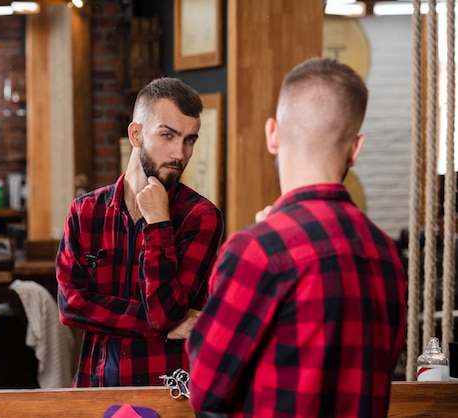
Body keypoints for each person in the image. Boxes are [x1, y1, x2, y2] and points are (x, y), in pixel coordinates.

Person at [187, 57, 407, 417]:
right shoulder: (386, 254)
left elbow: (205, 388)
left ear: (272, 133)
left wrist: (248, 254)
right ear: (356, 148)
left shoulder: (255, 251)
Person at [56, 77, 224, 387]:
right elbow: (70, 306)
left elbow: (165, 312)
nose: (179, 153)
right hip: (95, 388)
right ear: (136, 134)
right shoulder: (85, 211)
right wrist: (157, 328)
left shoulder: (200, 217)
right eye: (167, 135)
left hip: (167, 390)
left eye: (189, 139)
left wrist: (159, 223)